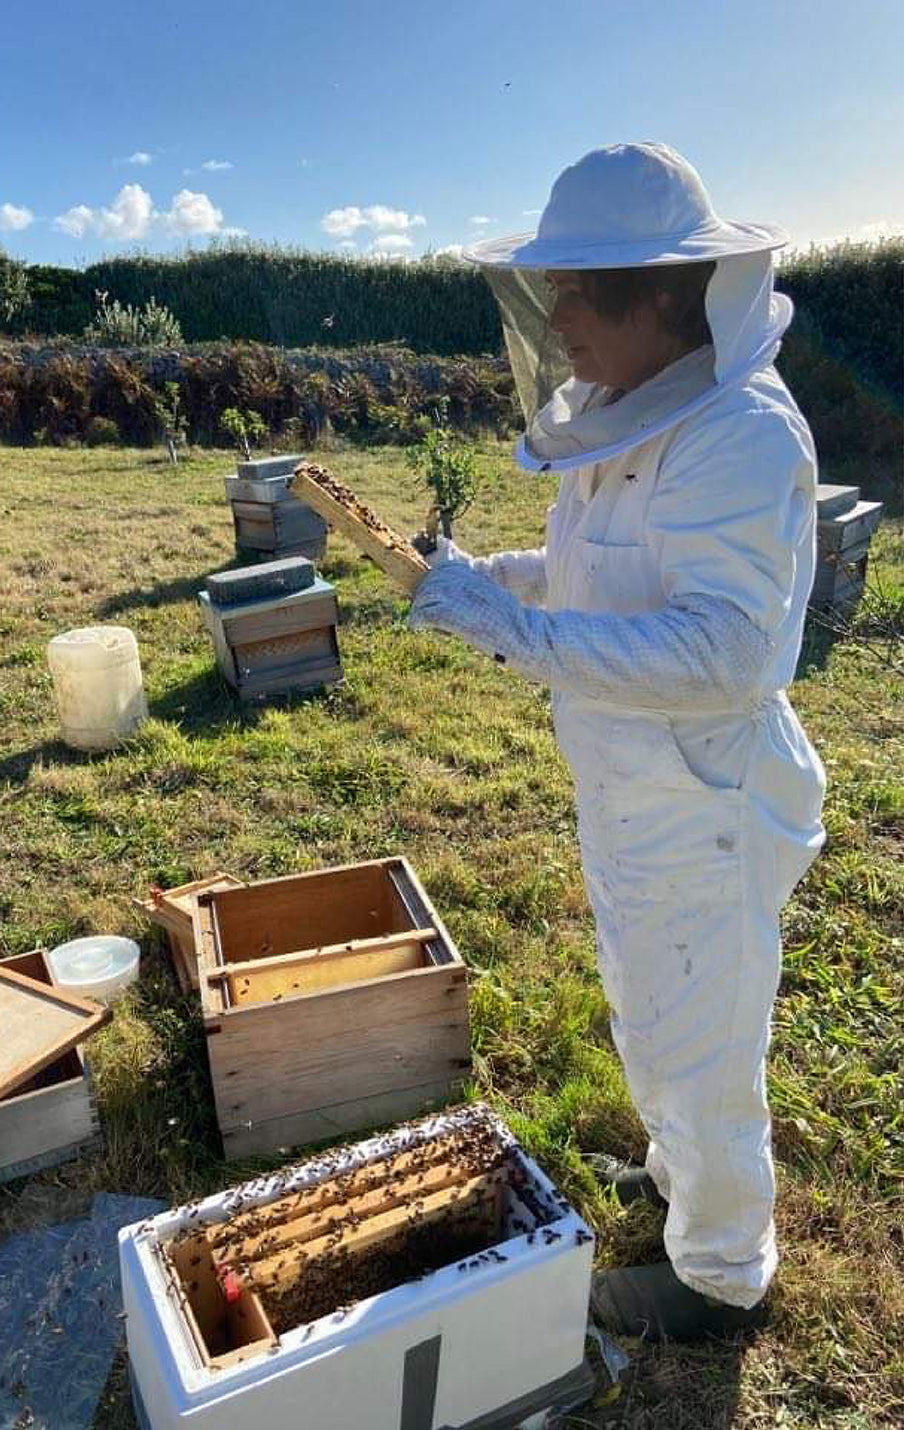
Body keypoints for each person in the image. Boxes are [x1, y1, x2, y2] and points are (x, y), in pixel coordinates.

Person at [408, 142, 827, 1339]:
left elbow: (722, 652)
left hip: (700, 799)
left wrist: (511, 627)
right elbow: (601, 571)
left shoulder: (737, 435)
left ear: (658, 295)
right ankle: (675, 1168)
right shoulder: (620, 412)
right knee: (650, 1001)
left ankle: (718, 1272)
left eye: (579, 290)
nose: (555, 317)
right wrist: (503, 577)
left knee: (703, 1038)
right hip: (635, 787)